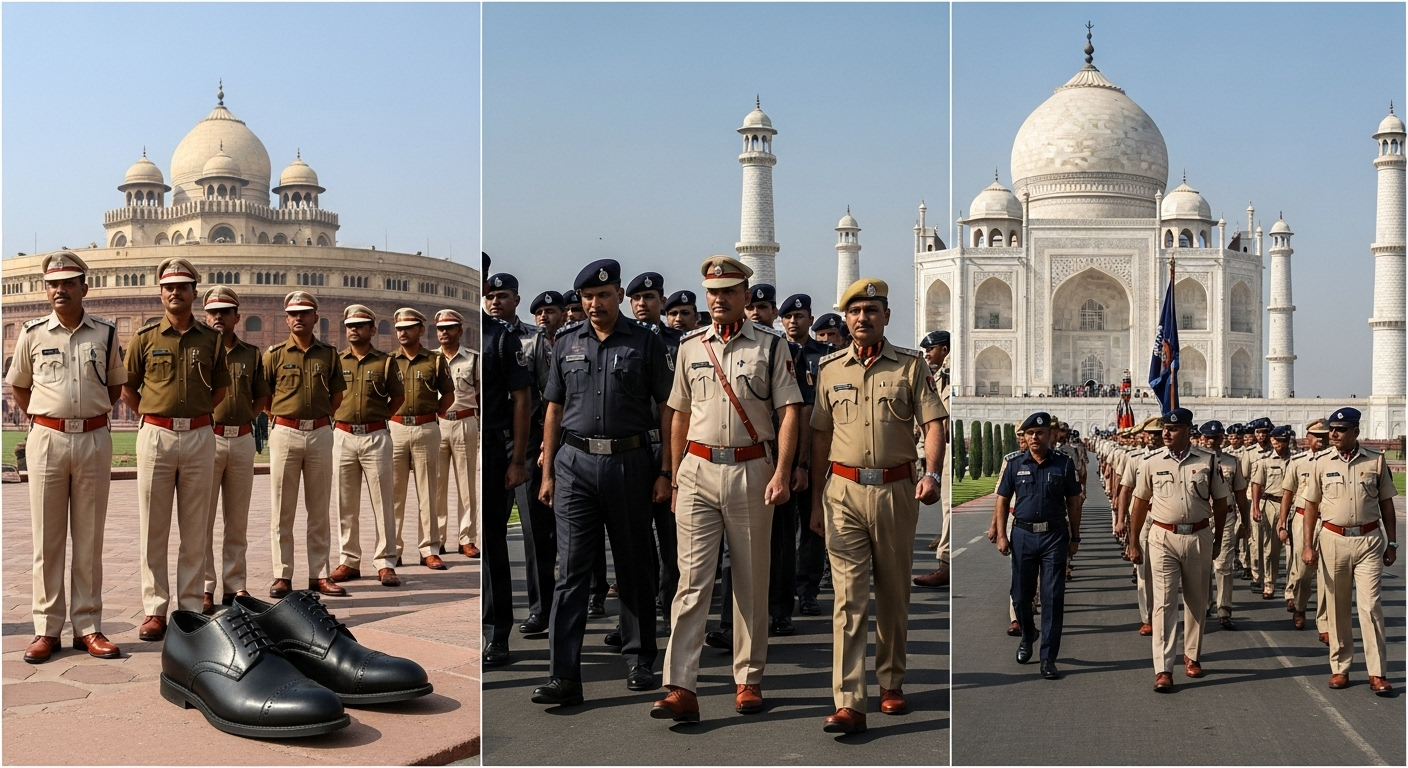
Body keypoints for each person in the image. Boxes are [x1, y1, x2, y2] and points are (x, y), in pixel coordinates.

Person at [651, 255, 802, 723]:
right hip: (697, 469)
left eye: (728, 292)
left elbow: (791, 411)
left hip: (751, 470)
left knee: (751, 581)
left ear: (745, 296)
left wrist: (781, 472)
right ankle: (679, 685)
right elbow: (677, 412)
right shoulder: (691, 346)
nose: (718, 300)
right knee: (691, 582)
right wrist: (675, 475)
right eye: (711, 292)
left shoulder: (773, 348)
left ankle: (748, 678)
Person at [531, 259, 675, 706]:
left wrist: (667, 471)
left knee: (634, 565)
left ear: (618, 296)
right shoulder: (566, 343)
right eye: (588, 298)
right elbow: (553, 408)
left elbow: (669, 409)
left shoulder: (645, 343)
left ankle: (639, 659)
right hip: (574, 464)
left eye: (604, 295)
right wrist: (548, 468)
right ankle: (564, 676)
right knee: (570, 571)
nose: (595, 304)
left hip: (630, 462)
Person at [808, 277, 944, 734]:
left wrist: (932, 473)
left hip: (894, 490)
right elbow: (821, 436)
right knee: (848, 600)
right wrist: (814, 500)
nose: (862, 318)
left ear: (886, 316)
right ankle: (849, 701)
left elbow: (932, 424)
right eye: (855, 311)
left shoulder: (909, 366)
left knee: (892, 592)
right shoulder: (830, 369)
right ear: (845, 319)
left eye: (871, 310)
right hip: (842, 491)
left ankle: (891, 682)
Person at [7, 252, 126, 662]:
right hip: (48, 440)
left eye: (69, 283)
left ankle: (88, 627)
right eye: (54, 284)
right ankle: (46, 629)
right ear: (46, 290)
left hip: (93, 438)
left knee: (90, 538)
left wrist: (83, 414)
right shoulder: (32, 333)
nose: (60, 290)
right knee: (47, 538)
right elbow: (20, 387)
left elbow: (114, 389)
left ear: (83, 288)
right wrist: (50, 417)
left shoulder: (106, 334)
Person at [124, 257, 230, 641]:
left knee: (196, 526)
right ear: (161, 293)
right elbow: (128, 388)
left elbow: (219, 389)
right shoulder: (144, 338)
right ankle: (154, 609)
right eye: (168, 287)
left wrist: (193, 417)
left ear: (193, 293)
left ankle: (188, 610)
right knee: (154, 526)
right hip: (156, 435)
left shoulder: (211, 339)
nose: (175, 293)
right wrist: (156, 416)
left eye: (182, 287)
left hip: (201, 434)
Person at [1126, 408, 1230, 692]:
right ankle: (1163, 667)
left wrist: (1218, 538)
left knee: (1197, 601)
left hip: (1198, 535)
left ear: (1188, 431)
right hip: (1162, 536)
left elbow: (1220, 503)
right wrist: (1133, 541)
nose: (1166, 434)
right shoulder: (1151, 462)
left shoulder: (1208, 461)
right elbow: (1139, 502)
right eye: (1164, 430)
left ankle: (1192, 655)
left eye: (1173, 429)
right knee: (1164, 602)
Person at [1301, 407, 1397, 695]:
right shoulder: (1321, 463)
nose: (1333, 434)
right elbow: (1310, 507)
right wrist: (1308, 545)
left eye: (1340, 430)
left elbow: (1387, 505)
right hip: (1333, 539)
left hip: (1368, 540)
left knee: (1370, 608)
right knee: (1337, 607)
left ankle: (1377, 672)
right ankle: (1340, 668)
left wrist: (1392, 542)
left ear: (1355, 431)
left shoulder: (1375, 462)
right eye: (1332, 429)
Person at [261, 290, 345, 598]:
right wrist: (285, 417)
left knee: (319, 507)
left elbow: (337, 395)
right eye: (293, 313)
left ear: (315, 318)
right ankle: (282, 574)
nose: (299, 317)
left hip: (321, 431)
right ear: (286, 319)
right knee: (282, 507)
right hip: (285, 431)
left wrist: (318, 418)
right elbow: (265, 397)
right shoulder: (274, 355)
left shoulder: (329, 354)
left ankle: (319, 573)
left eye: (304, 312)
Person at [486, 274, 555, 630]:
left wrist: (545, 443)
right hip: (497, 440)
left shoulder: (533, 338)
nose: (495, 301)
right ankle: (494, 616)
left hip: (528, 440)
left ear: (516, 299)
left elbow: (548, 393)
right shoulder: (488, 337)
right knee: (492, 530)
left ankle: (540, 607)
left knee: (533, 531)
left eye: (503, 296)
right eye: (491, 295)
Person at [990, 412, 1081, 682]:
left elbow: (1074, 502)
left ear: (1050, 436)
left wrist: (1074, 538)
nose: (1033, 438)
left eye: (1039, 433)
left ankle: (1047, 657)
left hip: (1054, 536)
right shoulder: (1015, 464)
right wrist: (1002, 535)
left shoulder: (1063, 465)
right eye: (1029, 433)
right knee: (1020, 595)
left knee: (1053, 598)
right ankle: (1029, 635)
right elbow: (1002, 500)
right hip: (1023, 535)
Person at [200, 285, 270, 613]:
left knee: (237, 518)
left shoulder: (251, 354)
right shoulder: (197, 350)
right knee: (201, 518)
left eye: (224, 312)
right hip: (207, 437)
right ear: (205, 315)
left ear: (236, 317)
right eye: (213, 311)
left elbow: (261, 397)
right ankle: (204, 586)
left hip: (240, 438)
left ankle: (235, 585)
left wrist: (243, 420)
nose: (218, 317)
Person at [329, 304, 404, 588]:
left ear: (372, 330)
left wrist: (380, 416)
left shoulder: (385, 362)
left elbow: (397, 398)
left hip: (375, 435)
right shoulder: (337, 361)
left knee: (383, 500)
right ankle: (349, 560)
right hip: (343, 434)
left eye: (360, 324)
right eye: (349, 325)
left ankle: (386, 562)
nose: (354, 329)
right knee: (344, 501)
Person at [480, 276, 532, 665]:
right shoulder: (455, 332)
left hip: (493, 446)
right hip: (455, 446)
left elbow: (521, 399)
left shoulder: (500, 338)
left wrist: (516, 460)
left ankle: (497, 632)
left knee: (494, 542)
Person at [779, 293, 833, 616]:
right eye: (788, 317)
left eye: (800, 317)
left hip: (816, 452)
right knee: (784, 530)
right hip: (784, 454)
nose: (794, 321)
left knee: (813, 523)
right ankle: (783, 591)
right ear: (781, 320)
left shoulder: (825, 357)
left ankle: (808, 589)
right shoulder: (774, 352)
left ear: (810, 321)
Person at [389, 307, 454, 569]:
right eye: (399, 329)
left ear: (420, 330)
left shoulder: (435, 361)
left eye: (408, 328)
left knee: (429, 490)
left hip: (426, 427)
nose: (403, 333)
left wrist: (430, 416)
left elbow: (447, 396)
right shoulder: (388, 361)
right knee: (393, 493)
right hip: (395, 428)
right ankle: (393, 548)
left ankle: (429, 548)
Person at [434, 309, 480, 560]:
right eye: (440, 328)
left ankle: (467, 538)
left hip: (464, 422)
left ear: (460, 331)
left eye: (449, 328)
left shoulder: (473, 359)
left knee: (466, 484)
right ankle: (437, 538)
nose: (444, 332)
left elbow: (480, 397)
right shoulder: (430, 360)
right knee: (436, 485)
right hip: (437, 424)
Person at [1278, 419, 1331, 634]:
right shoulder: (1298, 462)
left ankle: (1325, 622)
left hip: (1327, 520)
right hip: (1302, 520)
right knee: (1302, 572)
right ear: (1307, 438)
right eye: (1316, 436)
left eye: (1324, 436)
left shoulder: (1334, 461)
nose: (1321, 440)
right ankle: (1300, 606)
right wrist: (1282, 523)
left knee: (1328, 574)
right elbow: (1288, 494)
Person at [1199, 421, 1250, 630]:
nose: (1211, 441)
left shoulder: (1232, 462)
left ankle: (1224, 609)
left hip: (1227, 515)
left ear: (1222, 439)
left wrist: (1245, 520)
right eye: (1207, 438)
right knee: (1201, 565)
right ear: (1202, 438)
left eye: (1215, 438)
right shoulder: (1195, 461)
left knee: (1223, 564)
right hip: (1202, 517)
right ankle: (1204, 603)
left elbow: (1239, 493)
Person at [914, 330, 952, 589]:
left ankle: (946, 563)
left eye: (933, 349)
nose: (928, 353)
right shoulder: (936, 376)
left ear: (946, 350)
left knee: (949, 505)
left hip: (947, 445)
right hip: (932, 444)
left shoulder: (952, 377)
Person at [1249, 425, 1294, 600]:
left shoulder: (1296, 460)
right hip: (1271, 504)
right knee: (1270, 549)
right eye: (1278, 441)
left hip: (1291, 506)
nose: (1280, 444)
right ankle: (1269, 582)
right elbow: (1257, 485)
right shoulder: (1265, 462)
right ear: (1273, 441)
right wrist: (1255, 507)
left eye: (1284, 441)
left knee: (1291, 550)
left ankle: (1291, 589)